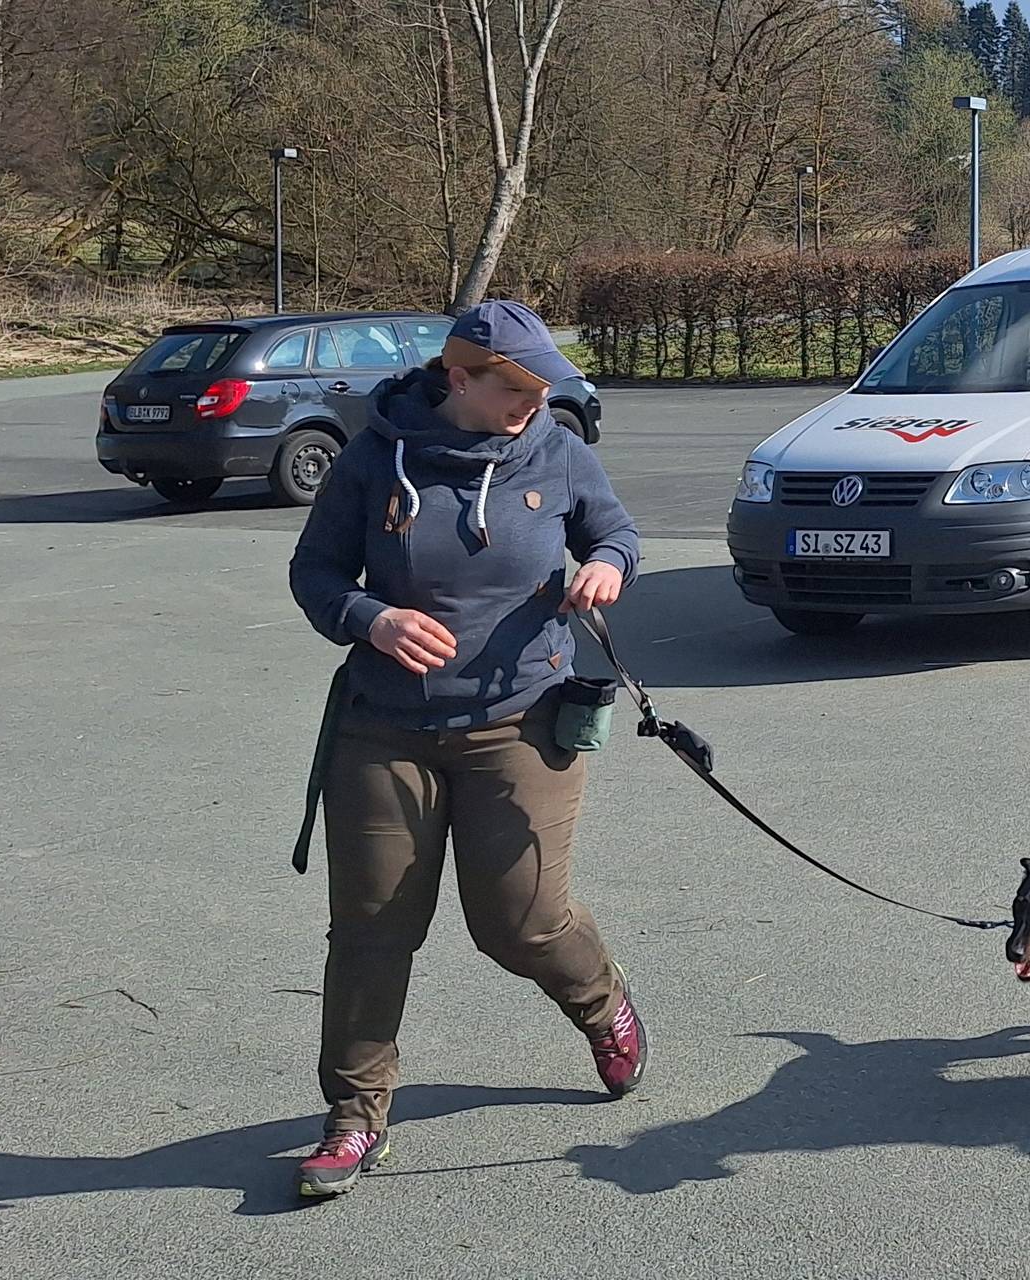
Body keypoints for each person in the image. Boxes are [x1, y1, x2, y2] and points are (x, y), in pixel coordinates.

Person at [286, 299, 650, 1196]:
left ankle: (602, 1007)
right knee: (372, 927)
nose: (532, 400)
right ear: (458, 377)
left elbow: (613, 532)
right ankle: (353, 1117)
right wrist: (370, 619)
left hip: (519, 722)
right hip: (384, 728)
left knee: (519, 923)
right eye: (512, 386)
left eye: (542, 386)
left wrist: (607, 565)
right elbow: (315, 572)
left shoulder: (558, 451)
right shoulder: (377, 457)